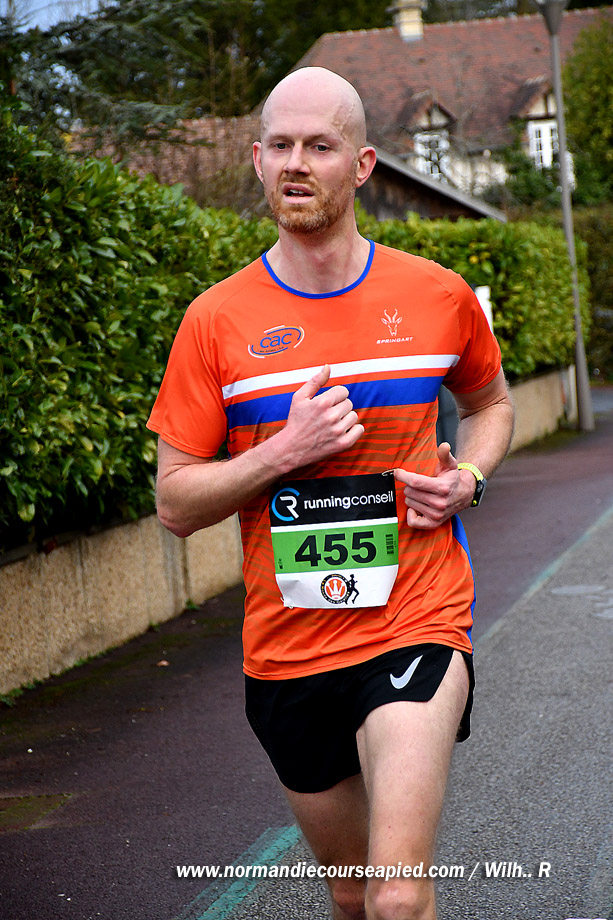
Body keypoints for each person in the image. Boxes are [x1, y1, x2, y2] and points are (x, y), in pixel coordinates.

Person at [147, 66, 515, 920]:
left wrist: (467, 477)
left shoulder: (434, 293)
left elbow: (489, 404)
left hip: (415, 617)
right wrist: (284, 451)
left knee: (395, 895)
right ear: (256, 160)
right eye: (279, 145)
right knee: (351, 899)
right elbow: (175, 504)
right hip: (287, 652)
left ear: (362, 165)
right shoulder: (214, 320)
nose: (295, 163)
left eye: (318, 145)